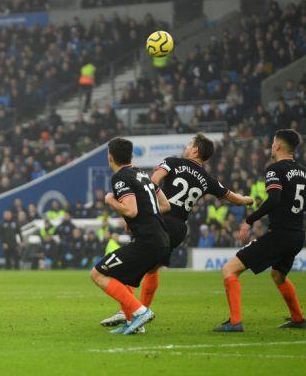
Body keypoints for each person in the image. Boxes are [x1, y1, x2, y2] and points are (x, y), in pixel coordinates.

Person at [100, 133, 253, 327]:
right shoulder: (208, 179)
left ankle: (129, 311)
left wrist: (135, 214)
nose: (186, 147)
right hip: (179, 227)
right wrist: (248, 200)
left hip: (159, 219)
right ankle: (136, 314)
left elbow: (151, 183)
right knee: (151, 268)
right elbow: (234, 198)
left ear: (195, 150)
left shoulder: (173, 162)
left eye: (190, 144)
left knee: (134, 263)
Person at [214, 129, 306, 332]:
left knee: (230, 269)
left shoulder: (275, 169)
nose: (271, 146)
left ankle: (235, 322)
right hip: (297, 235)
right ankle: (298, 318)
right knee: (278, 275)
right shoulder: (303, 171)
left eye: (273, 142)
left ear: (278, 146)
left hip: (280, 235)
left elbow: (274, 199)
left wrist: (249, 220)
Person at [90, 137, 170, 335]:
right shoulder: (143, 174)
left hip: (148, 242)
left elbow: (131, 210)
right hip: (162, 239)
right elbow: (166, 205)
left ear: (110, 157)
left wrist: (110, 201)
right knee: (123, 277)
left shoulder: (120, 177)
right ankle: (133, 323)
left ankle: (140, 312)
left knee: (98, 274)